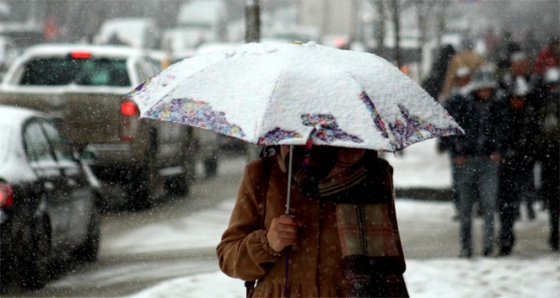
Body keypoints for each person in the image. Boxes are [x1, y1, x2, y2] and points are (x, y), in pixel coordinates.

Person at [216, 145, 409, 297]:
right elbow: (229, 258)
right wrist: (268, 243)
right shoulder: (262, 174)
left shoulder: (371, 175)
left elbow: (391, 264)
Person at [444, 66, 508, 258]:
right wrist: (457, 152)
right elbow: (452, 130)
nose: (484, 93)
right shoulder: (463, 104)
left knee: (489, 206)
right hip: (468, 160)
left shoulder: (497, 106)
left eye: (487, 89)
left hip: (488, 161)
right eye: (481, 89)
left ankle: (488, 246)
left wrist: (498, 150)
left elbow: (504, 131)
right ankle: (466, 246)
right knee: (466, 208)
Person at [497, 76, 539, 256]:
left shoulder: (530, 115)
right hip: (505, 165)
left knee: (512, 202)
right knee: (506, 204)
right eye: (515, 98)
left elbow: (534, 140)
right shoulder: (502, 113)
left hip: (522, 164)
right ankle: (506, 236)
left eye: (521, 98)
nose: (518, 102)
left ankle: (507, 235)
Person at [535, 68, 560, 251]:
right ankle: (554, 234)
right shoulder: (540, 102)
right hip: (549, 158)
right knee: (553, 201)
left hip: (551, 156)